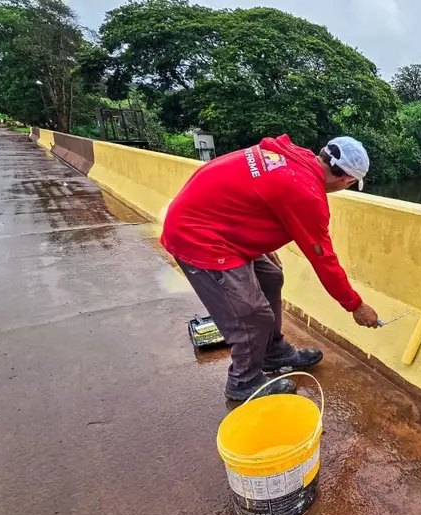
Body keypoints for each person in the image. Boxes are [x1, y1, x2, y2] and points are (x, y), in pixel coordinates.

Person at [161, 135, 379, 401]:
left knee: (271, 276)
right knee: (253, 314)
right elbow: (324, 260)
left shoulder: (293, 156)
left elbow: (254, 194)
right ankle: (243, 382)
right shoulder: (307, 194)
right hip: (197, 235)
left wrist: (258, 239)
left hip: (215, 223)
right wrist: (355, 305)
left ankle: (272, 352)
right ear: (348, 180)